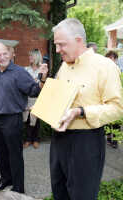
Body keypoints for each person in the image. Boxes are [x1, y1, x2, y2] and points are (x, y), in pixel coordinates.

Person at [50, 18, 123, 200]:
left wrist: (81, 111)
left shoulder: (105, 66)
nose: (58, 50)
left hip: (86, 143)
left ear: (78, 41)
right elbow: (59, 98)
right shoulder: (64, 66)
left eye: (61, 45)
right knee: (59, 193)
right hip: (58, 141)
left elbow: (117, 108)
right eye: (56, 45)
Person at [0, 42, 48, 193]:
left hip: (13, 120)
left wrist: (42, 78)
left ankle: (18, 187)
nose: (2, 57)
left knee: (15, 155)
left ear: (9, 54)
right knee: (1, 155)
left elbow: (34, 91)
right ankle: (5, 179)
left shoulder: (19, 72)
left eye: (4, 53)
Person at [23, 49, 43, 149]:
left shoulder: (42, 70)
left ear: (36, 57)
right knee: (27, 120)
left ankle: (36, 140)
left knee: (36, 121)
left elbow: (44, 84)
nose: (29, 58)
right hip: (27, 98)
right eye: (29, 56)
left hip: (38, 99)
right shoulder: (26, 69)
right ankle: (27, 139)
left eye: (31, 56)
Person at [105, 50, 120, 149]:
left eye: (113, 58)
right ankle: (109, 139)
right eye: (109, 58)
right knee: (107, 120)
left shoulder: (117, 69)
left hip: (116, 98)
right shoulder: (104, 69)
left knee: (116, 121)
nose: (111, 60)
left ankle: (115, 141)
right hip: (106, 98)